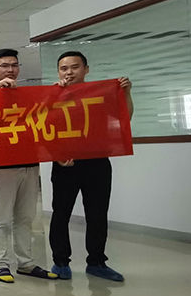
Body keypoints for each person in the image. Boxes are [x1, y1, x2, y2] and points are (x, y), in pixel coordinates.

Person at [49, 51, 133, 282]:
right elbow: (43, 130)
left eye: (74, 67)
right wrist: (56, 156)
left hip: (97, 162)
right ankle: (61, 262)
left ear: (86, 70)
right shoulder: (52, 96)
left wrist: (126, 93)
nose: (69, 72)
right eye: (64, 68)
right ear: (58, 72)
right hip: (65, 164)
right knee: (61, 214)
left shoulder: (99, 95)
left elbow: (124, 118)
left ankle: (96, 262)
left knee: (97, 214)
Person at [0, 50, 58, 284]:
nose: (10, 69)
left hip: (29, 166)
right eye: (4, 65)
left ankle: (25, 263)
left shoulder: (27, 97)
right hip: (1, 168)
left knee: (25, 218)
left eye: (14, 65)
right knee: (1, 219)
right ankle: (1, 264)